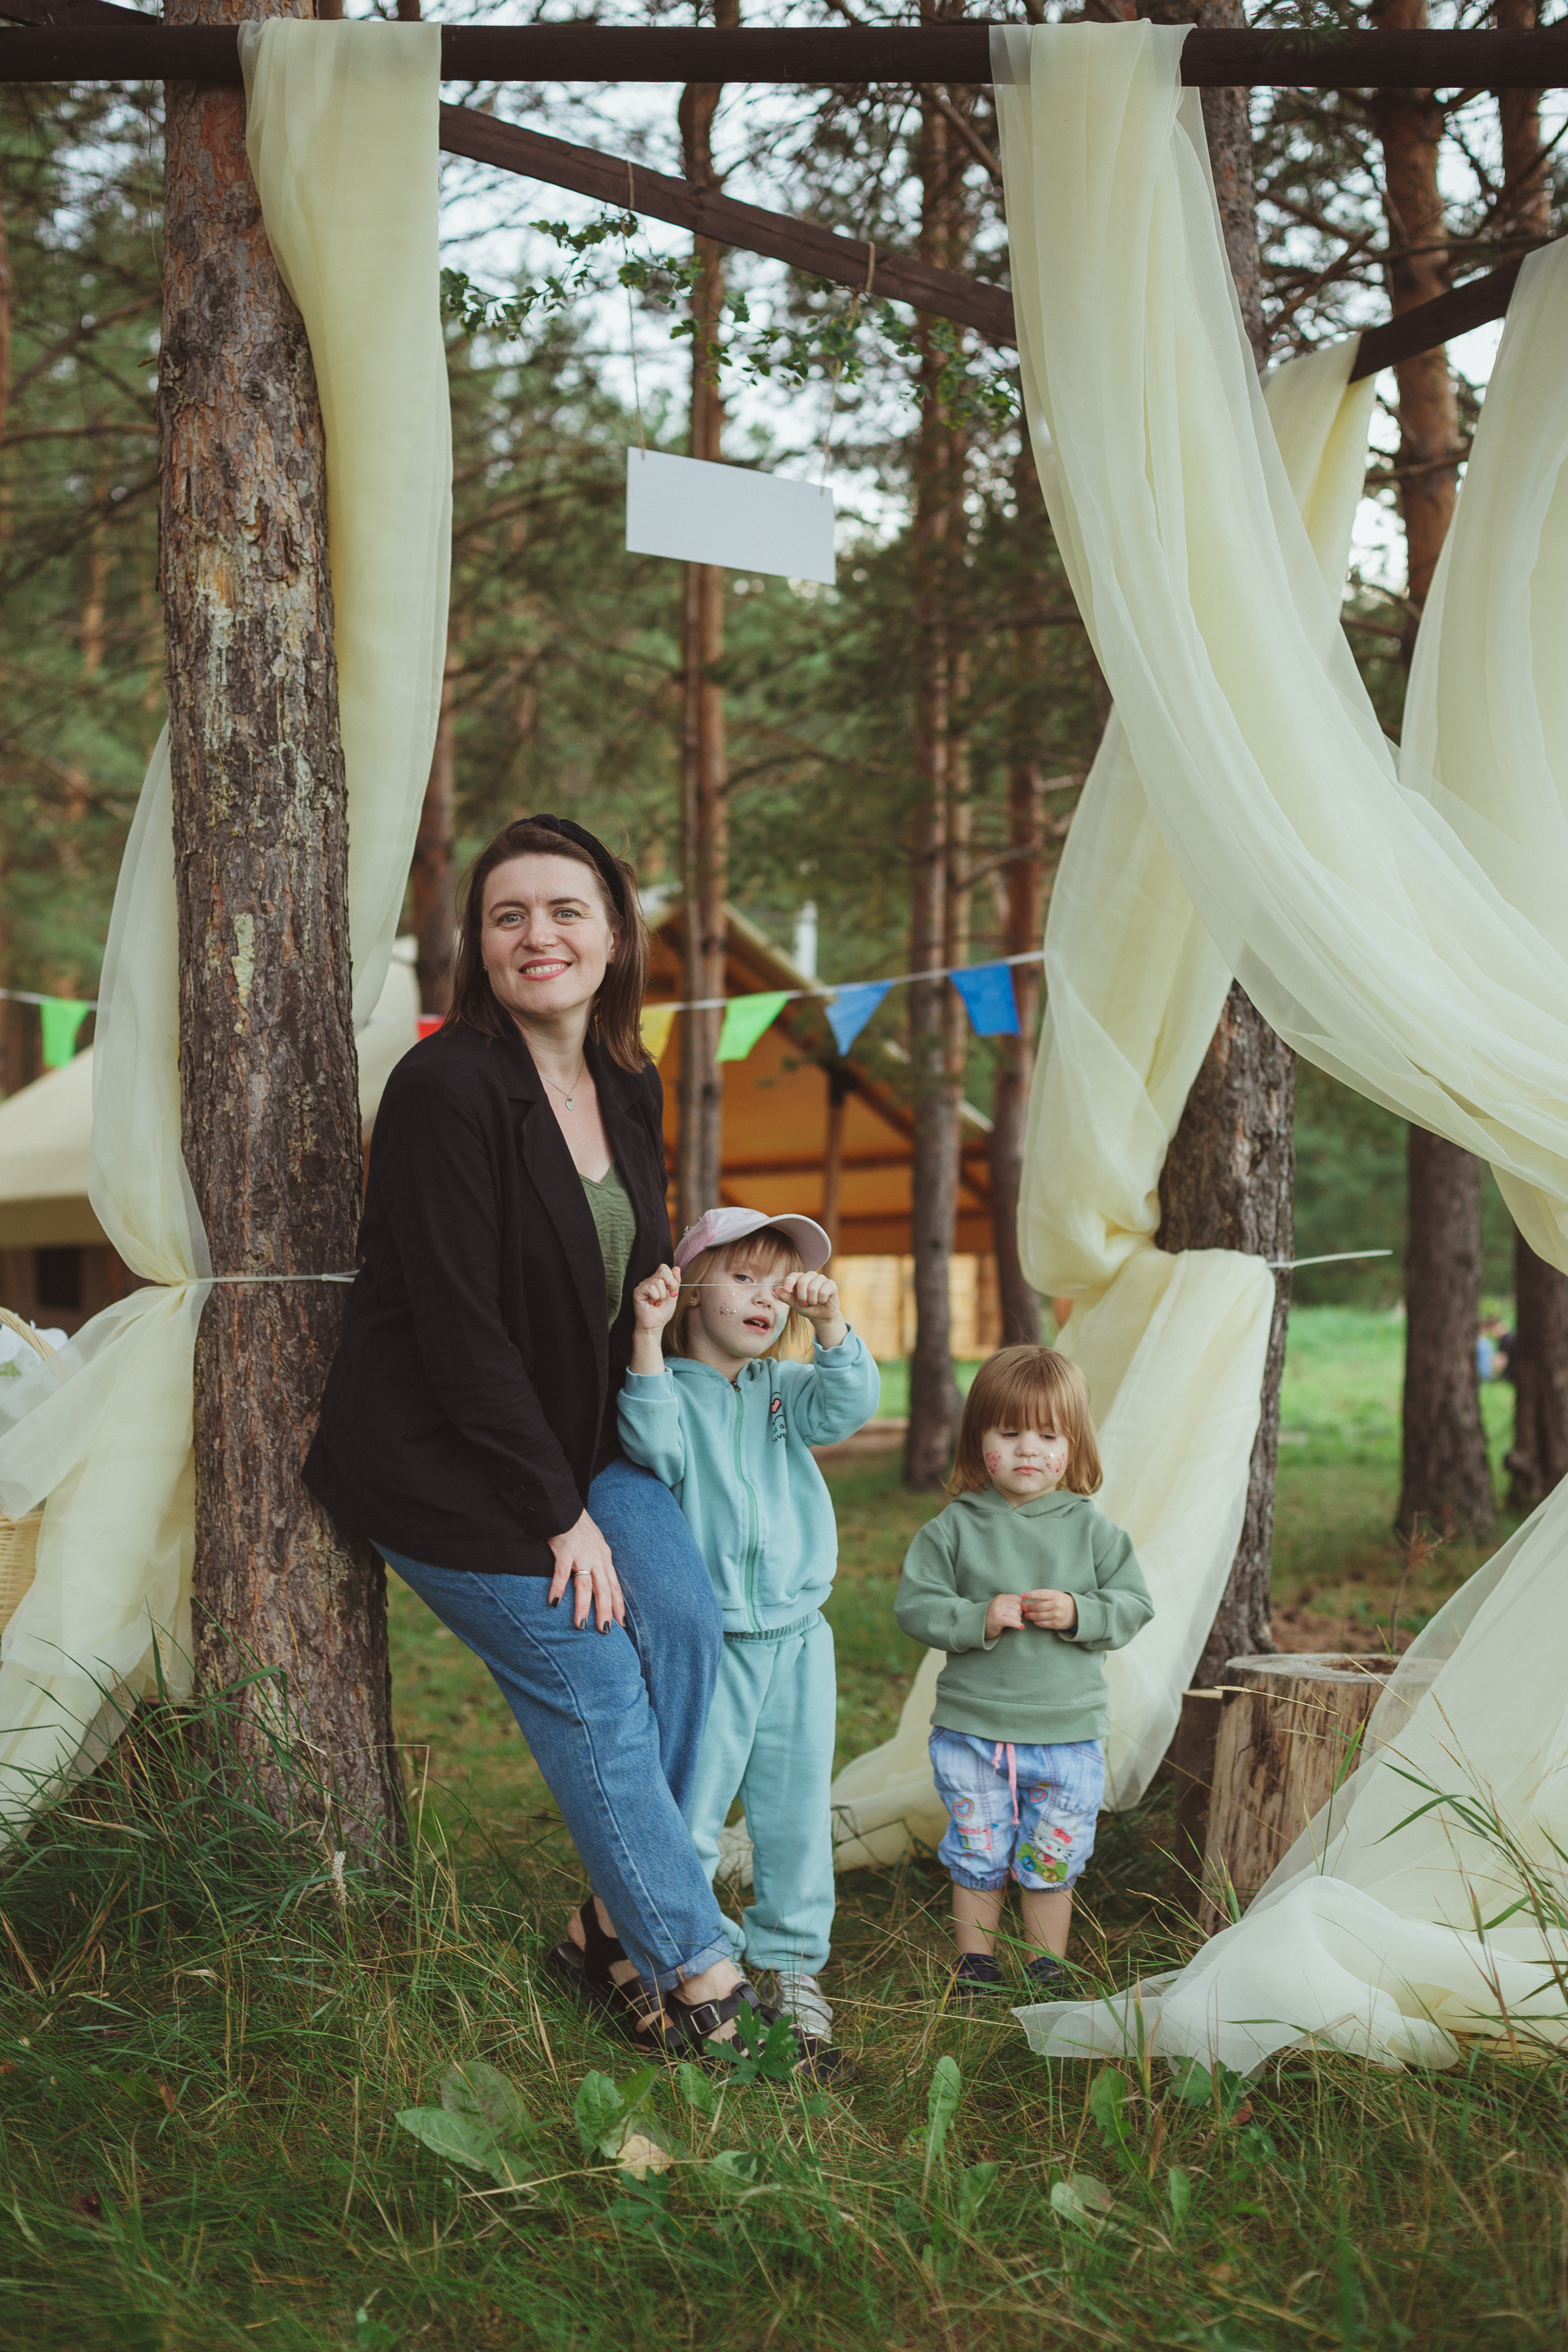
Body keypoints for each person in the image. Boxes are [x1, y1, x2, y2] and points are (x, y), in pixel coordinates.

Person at [304, 813, 775, 2057]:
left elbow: (615, 1273)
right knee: (595, 1677)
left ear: (614, 936)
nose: (537, 935)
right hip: (439, 1455)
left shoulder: (626, 1081)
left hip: (579, 1436)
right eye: (507, 915)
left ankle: (604, 1930)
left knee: (684, 1626)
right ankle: (698, 1972)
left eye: (566, 910)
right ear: (479, 944)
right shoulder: (445, 1088)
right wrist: (560, 1519)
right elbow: (459, 1330)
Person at [618, 1207, 881, 2060]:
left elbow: (849, 1405)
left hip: (800, 1639)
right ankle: (690, 1958)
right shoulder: (668, 1388)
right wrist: (646, 1338)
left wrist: (831, 1325)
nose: (766, 1299)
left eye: (780, 1285)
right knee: (693, 1814)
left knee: (795, 1814)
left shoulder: (784, 1390)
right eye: (743, 1278)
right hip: (717, 1646)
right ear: (692, 1289)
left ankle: (792, 1966)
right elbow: (650, 1448)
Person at [894, 1344, 1154, 1997]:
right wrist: (977, 1618)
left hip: (1066, 1733)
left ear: (1074, 1445)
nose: (1028, 1450)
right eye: (1008, 1434)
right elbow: (916, 1607)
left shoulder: (1091, 1531)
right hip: (974, 1731)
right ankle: (976, 1967)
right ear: (978, 1440)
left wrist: (1079, 1611)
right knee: (978, 1849)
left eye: (1048, 1436)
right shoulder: (953, 1529)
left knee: (1052, 1855)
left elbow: (1133, 1605)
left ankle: (1045, 1966)